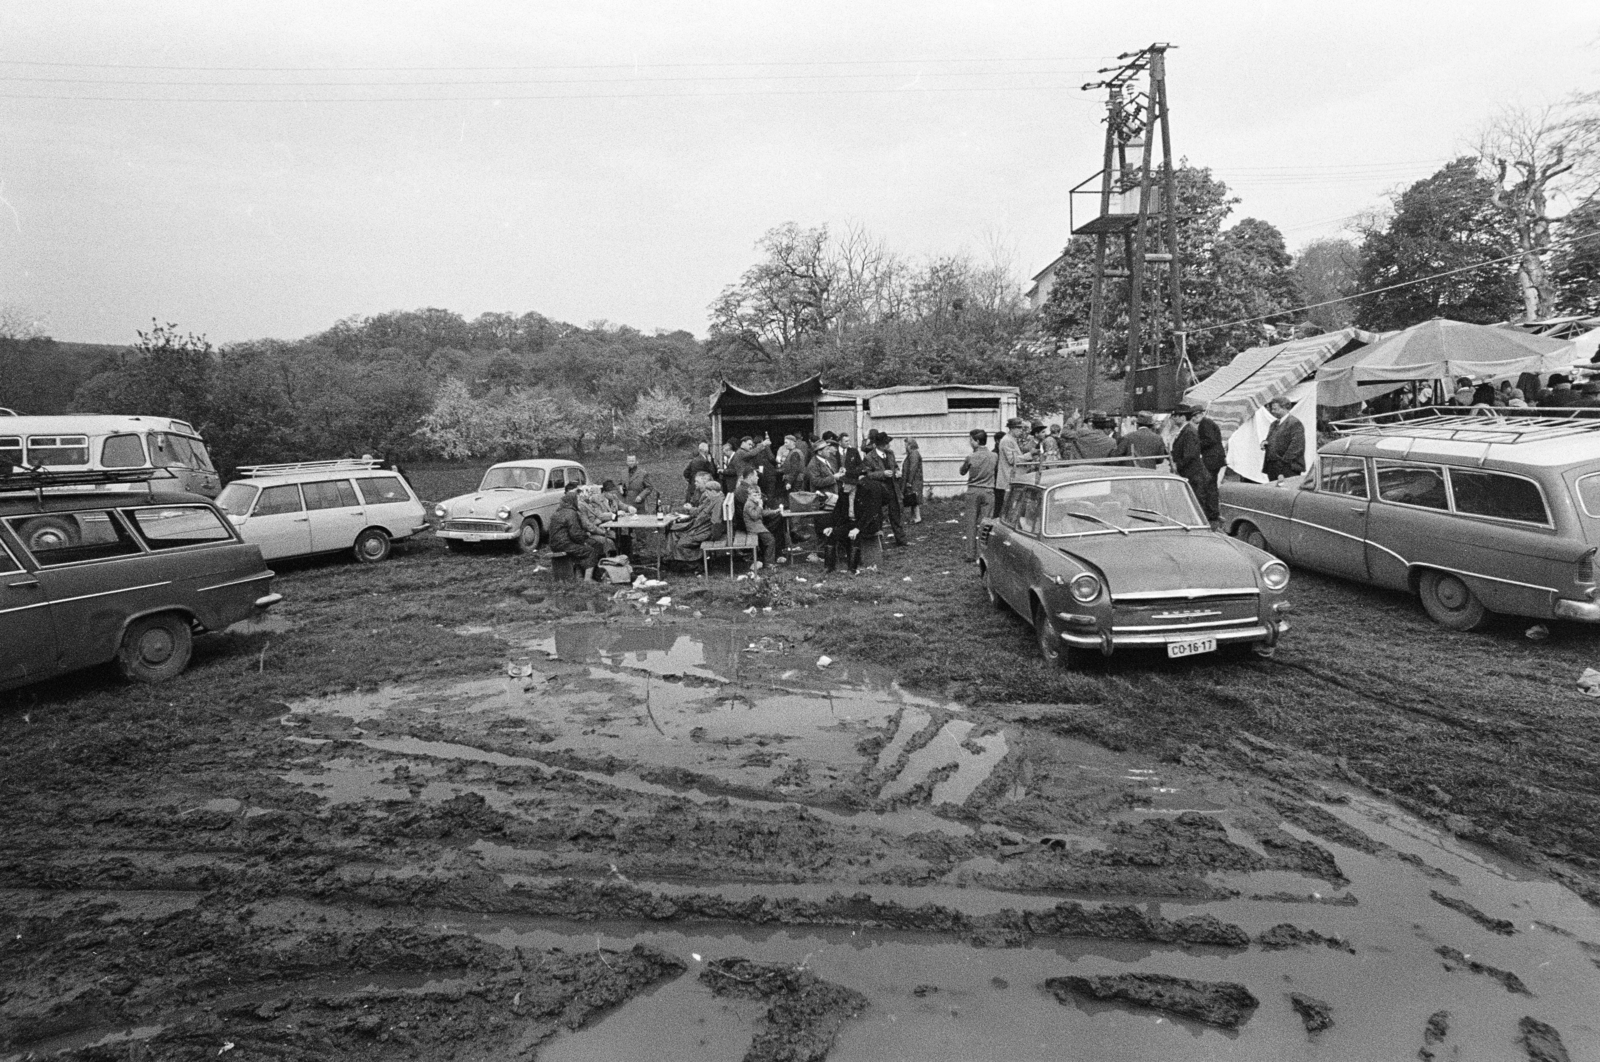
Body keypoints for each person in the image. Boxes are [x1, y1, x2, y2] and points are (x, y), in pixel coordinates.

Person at [1171, 405, 1220, 528]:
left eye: (1175, 416)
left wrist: (1178, 465)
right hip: (1191, 472)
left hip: (1193, 473)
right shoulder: (1185, 431)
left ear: (1182, 417)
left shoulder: (1189, 432)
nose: (1173, 419)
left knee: (1197, 499)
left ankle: (1201, 525)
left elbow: (1190, 454)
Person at [548, 485, 610, 581]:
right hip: (564, 544)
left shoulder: (558, 512)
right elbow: (575, 534)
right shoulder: (571, 513)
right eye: (576, 499)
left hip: (555, 544)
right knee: (590, 551)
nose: (578, 501)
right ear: (572, 501)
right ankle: (588, 579)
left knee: (591, 545)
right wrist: (585, 537)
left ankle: (582, 575)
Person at [860, 431, 908, 546]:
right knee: (879, 516)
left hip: (893, 489)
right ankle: (878, 544)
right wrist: (882, 474)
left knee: (896, 515)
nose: (888, 445)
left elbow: (895, 466)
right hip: (879, 491)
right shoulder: (869, 457)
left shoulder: (890, 454)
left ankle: (901, 540)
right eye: (886, 443)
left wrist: (897, 472)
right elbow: (867, 475)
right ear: (879, 445)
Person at [959, 429, 997, 563]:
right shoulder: (994, 456)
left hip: (973, 492)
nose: (970, 442)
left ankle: (970, 553)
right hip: (988, 491)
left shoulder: (970, 457)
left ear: (977, 441)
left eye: (971, 440)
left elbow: (962, 472)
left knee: (971, 524)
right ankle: (984, 554)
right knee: (986, 524)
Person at [670, 480, 725, 565]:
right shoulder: (715, 499)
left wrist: (711, 537)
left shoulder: (717, 502)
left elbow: (715, 523)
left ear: (713, 491)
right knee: (674, 532)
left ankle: (691, 563)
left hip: (705, 531)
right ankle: (675, 558)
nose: (706, 494)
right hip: (701, 528)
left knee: (682, 542)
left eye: (707, 492)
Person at [734, 467, 777, 568]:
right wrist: (761, 505)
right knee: (772, 535)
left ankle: (770, 556)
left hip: (753, 523)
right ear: (749, 477)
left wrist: (772, 511)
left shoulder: (746, 489)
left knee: (776, 517)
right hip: (750, 525)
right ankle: (770, 559)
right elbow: (754, 515)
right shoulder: (744, 492)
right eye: (756, 475)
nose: (758, 477)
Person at [1261, 396, 1307, 482]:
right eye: (1272, 409)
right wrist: (1265, 443)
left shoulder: (1295, 423)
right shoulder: (1274, 424)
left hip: (1288, 468)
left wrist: (1282, 464)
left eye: (1275, 409)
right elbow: (1269, 439)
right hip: (1271, 467)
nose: (1272, 411)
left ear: (1285, 408)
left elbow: (1296, 447)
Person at [996, 417, 1026, 512]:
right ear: (1012, 428)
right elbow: (1012, 460)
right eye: (1019, 428)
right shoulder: (1007, 440)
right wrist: (1029, 455)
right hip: (1008, 479)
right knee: (1009, 508)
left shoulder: (1012, 439)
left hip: (1011, 478)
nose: (1021, 431)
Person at [902, 439, 924, 523]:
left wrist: (909, 482)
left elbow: (912, 468)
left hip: (914, 480)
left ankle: (917, 517)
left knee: (914, 498)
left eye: (905, 445)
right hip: (915, 479)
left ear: (910, 445)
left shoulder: (914, 454)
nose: (905, 447)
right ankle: (913, 517)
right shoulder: (912, 453)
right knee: (912, 498)